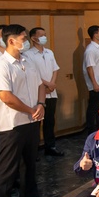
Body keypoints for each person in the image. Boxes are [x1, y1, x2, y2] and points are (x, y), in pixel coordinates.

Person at [0, 25, 46, 197]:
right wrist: (30, 109)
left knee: (29, 163)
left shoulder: (28, 60)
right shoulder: (1, 65)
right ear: (11, 41)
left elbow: (41, 84)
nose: (25, 41)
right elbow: (5, 96)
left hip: (32, 120)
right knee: (8, 167)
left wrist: (41, 104)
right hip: (12, 124)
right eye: (23, 38)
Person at [24, 27, 62, 157]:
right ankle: (32, 152)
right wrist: (47, 84)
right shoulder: (28, 55)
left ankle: (50, 146)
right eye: (41, 35)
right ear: (34, 38)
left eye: (45, 35)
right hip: (39, 93)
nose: (44, 37)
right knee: (36, 123)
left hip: (51, 92)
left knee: (50, 121)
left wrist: (52, 83)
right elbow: (33, 73)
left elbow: (55, 69)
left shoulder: (49, 52)